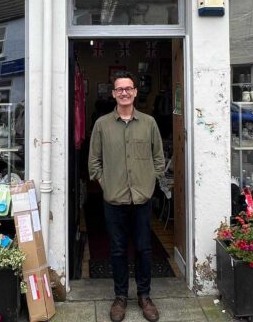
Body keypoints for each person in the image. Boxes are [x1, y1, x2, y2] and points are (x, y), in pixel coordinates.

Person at [88, 70, 165, 322]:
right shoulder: (102, 125)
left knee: (144, 249)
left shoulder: (149, 123)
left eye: (128, 88)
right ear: (113, 94)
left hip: (142, 199)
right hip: (114, 199)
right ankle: (120, 297)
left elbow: (158, 159)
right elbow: (94, 161)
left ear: (135, 92)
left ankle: (144, 296)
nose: (124, 93)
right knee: (118, 250)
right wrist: (105, 182)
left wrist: (149, 181)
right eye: (119, 89)